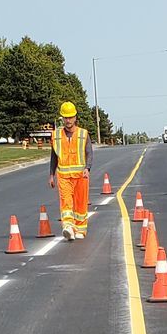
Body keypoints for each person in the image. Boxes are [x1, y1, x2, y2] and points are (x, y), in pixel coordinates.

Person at [49, 102, 93, 240]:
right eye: (65, 117)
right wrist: (51, 175)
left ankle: (80, 230)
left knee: (81, 203)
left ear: (75, 117)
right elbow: (53, 157)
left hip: (81, 175)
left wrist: (87, 168)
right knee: (66, 202)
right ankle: (68, 227)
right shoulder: (56, 135)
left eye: (70, 117)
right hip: (63, 176)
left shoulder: (83, 134)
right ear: (62, 118)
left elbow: (89, 153)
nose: (68, 120)